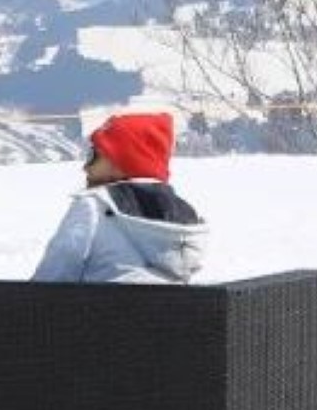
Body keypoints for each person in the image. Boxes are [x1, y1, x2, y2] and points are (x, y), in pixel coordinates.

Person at [32, 110, 207, 284]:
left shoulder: (95, 207)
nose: (86, 167)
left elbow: (50, 281)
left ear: (122, 161)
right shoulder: (187, 220)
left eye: (93, 156)